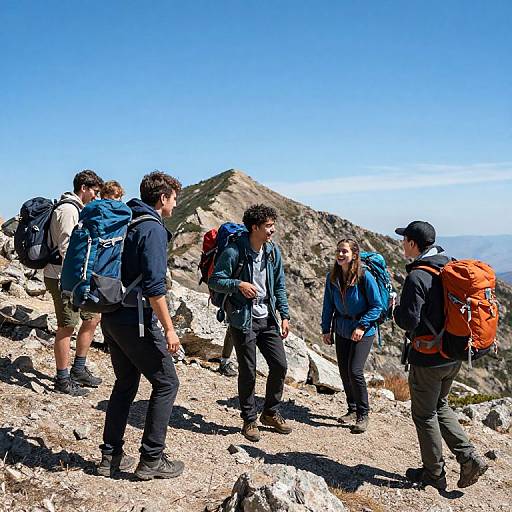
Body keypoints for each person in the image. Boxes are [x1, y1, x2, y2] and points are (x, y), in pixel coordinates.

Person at [98, 171, 184, 480]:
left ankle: (110, 457)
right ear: (163, 198)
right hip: (135, 319)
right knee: (166, 382)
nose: (175, 205)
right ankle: (151, 459)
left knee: (125, 384)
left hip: (111, 315)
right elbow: (154, 288)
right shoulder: (153, 229)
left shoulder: (127, 219)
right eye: (174, 199)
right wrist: (170, 329)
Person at [393, 220, 488, 490]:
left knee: (424, 415)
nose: (402, 244)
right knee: (441, 405)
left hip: (428, 358)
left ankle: (434, 473)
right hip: (453, 353)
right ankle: (469, 457)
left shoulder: (417, 276)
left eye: (404, 240)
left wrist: (394, 310)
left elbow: (409, 321)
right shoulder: (449, 265)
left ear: (412, 244)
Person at [209, 204, 291, 442]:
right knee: (248, 371)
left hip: (267, 317)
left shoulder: (272, 252)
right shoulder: (234, 252)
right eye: (268, 226)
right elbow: (216, 280)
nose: (272, 230)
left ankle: (270, 412)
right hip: (242, 318)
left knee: (280, 365)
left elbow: (279, 287)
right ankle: (249, 419)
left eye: (273, 225)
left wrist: (284, 315)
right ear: (254, 227)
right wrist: (239, 285)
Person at [44, 169, 104, 396]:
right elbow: (68, 249)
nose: (96, 197)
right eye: (94, 192)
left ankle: (78, 368)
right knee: (67, 326)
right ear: (84, 189)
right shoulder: (69, 211)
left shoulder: (77, 209)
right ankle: (62, 378)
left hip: (77, 278)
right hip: (63, 277)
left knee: (92, 317)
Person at [321, 238, 382, 433]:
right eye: (338, 251)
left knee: (355, 371)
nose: (340, 254)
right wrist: (326, 329)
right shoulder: (333, 277)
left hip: (363, 330)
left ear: (354, 255)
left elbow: (377, 306)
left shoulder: (364, 276)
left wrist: (362, 325)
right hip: (342, 328)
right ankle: (352, 408)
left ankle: (363, 414)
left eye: (344, 252)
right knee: (344, 371)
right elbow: (328, 305)